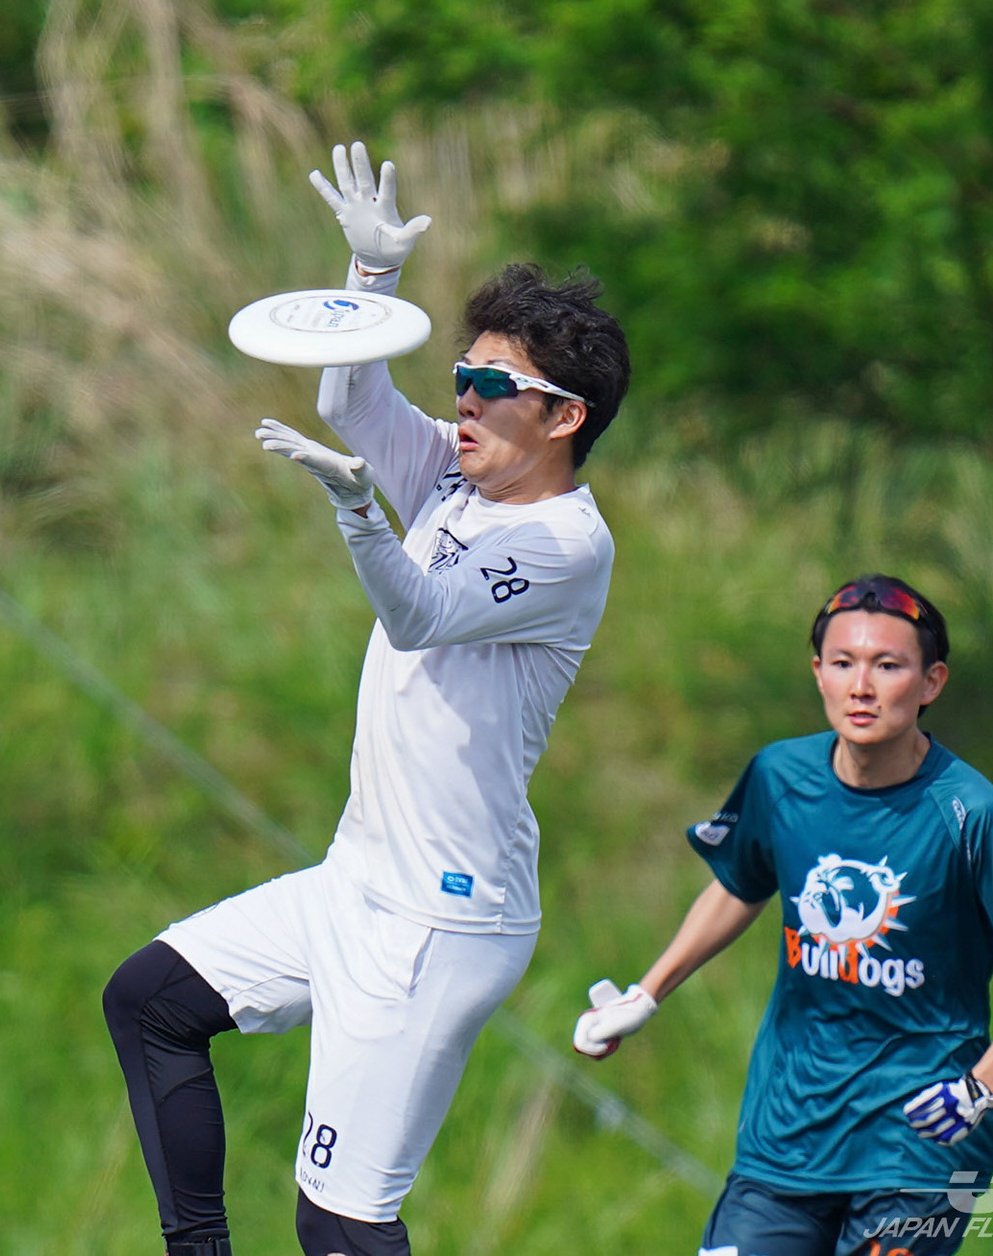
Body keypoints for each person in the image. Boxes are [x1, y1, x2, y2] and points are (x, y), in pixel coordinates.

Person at [104, 141, 632, 1256]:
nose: (467, 400)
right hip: (355, 883)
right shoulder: (455, 469)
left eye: (497, 387)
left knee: (341, 1224)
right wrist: (372, 276)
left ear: (565, 417)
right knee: (150, 1000)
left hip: (442, 917)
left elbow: (422, 614)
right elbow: (350, 392)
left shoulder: (565, 542)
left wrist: (357, 513)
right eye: (463, 377)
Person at [572, 575, 993, 1256]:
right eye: (843, 663)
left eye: (888, 666)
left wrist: (979, 1088)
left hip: (917, 1146)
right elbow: (740, 885)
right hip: (787, 1138)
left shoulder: (971, 815)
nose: (861, 686)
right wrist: (646, 992)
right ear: (818, 673)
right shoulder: (780, 777)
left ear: (931, 682)